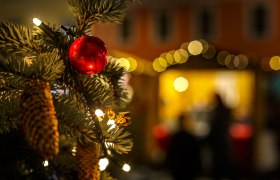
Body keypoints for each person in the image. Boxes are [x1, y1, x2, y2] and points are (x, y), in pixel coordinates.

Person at [208, 93, 236, 180]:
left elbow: (219, 127)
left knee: (222, 162)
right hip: (219, 142)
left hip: (220, 142)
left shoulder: (221, 111)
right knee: (220, 162)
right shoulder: (220, 110)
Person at [165, 113, 201, 180]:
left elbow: (170, 153)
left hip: (181, 168)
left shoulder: (177, 137)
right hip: (186, 168)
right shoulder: (188, 137)